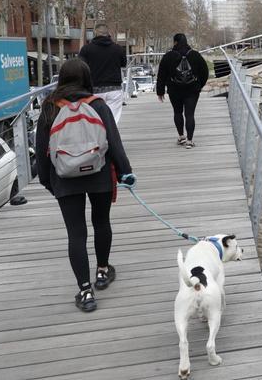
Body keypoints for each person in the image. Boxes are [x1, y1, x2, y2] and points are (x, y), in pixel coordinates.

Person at [36, 59, 134, 312]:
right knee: (101, 223)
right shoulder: (98, 105)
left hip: (64, 177)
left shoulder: (49, 107)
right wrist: (125, 172)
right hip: (99, 173)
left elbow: (41, 150)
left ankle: (85, 290)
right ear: (87, 78)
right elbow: (113, 141)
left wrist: (49, 182)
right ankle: (102, 271)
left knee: (76, 234)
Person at [156, 33, 209, 148]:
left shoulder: (168, 56)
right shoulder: (195, 55)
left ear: (175, 42)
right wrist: (199, 85)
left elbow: (161, 75)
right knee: (190, 114)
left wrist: (160, 91)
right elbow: (205, 72)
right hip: (192, 90)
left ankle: (181, 136)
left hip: (174, 90)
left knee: (177, 112)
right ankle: (190, 140)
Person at [80, 23, 127, 122]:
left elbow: (81, 67)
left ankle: (99, 136)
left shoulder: (86, 49)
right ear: (108, 33)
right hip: (114, 89)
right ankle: (111, 136)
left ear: (95, 33)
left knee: (96, 119)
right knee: (113, 120)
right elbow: (123, 64)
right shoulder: (118, 48)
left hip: (94, 90)